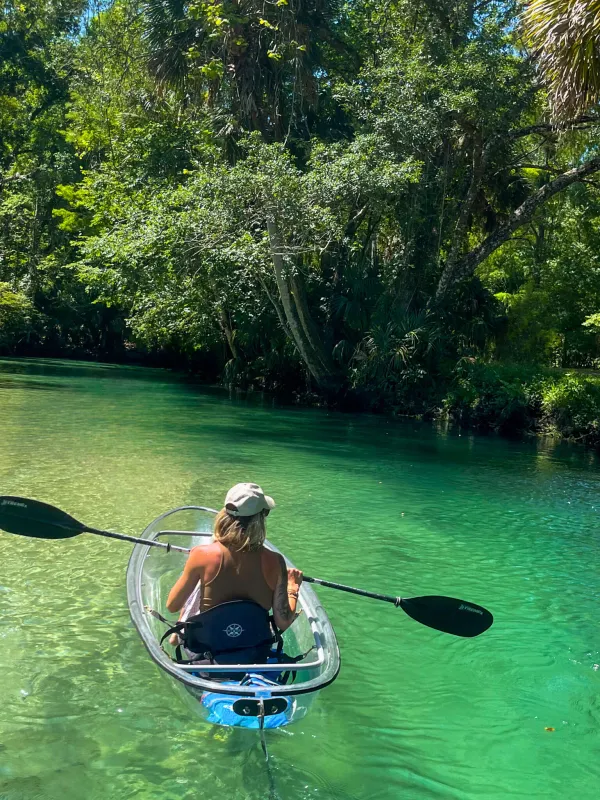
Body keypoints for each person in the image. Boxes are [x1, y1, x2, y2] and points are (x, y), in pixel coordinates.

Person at [166, 483, 302, 638]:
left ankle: (177, 636)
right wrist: (292, 588)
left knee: (198, 587)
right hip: (254, 651)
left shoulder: (201, 555)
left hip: (206, 650)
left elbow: (172, 605)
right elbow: (283, 622)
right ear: (260, 518)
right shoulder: (276, 561)